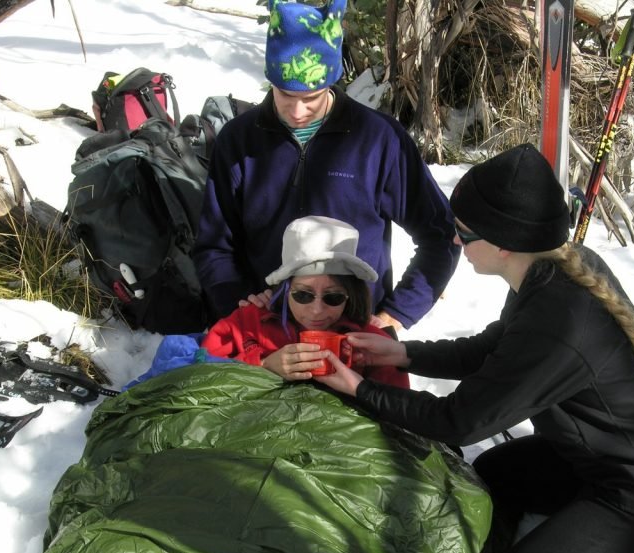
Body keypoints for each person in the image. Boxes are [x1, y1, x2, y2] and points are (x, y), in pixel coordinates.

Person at [316, 144, 634, 553]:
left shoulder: (562, 322)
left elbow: (460, 419)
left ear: (505, 242)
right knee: (495, 475)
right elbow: (494, 348)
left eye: (463, 232)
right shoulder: (552, 272)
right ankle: (549, 548)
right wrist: (400, 352)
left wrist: (360, 389)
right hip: (593, 461)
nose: (455, 240)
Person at [192, 0, 460, 333]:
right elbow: (213, 244)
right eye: (285, 95)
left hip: (355, 331)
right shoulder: (239, 140)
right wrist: (239, 299)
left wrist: (397, 314)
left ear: (331, 82)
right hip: (266, 330)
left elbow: (442, 235)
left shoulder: (378, 139)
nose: (298, 111)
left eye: (312, 97)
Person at [202, 215, 409, 388]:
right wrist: (263, 365)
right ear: (284, 289)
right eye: (303, 295)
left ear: (350, 295)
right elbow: (198, 377)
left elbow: (399, 413)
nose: (316, 311)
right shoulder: (247, 323)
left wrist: (358, 388)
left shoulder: (373, 343)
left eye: (333, 297)